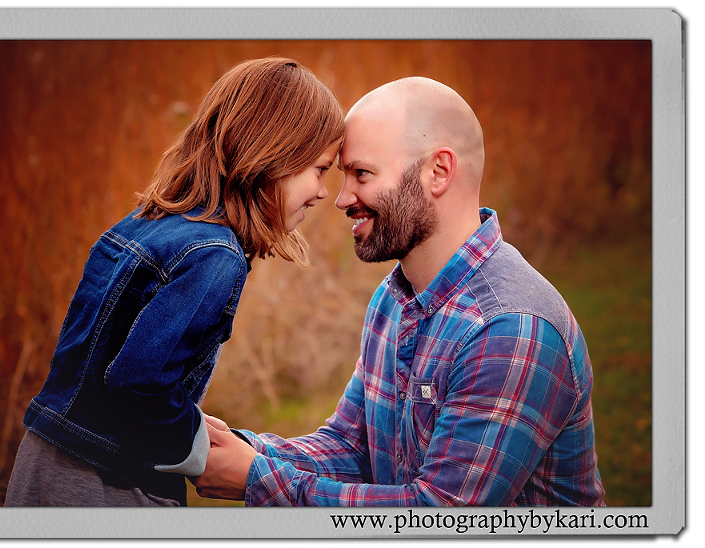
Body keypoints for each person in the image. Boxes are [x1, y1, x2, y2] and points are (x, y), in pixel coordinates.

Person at [193, 76, 606, 507]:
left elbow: (439, 513)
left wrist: (258, 479)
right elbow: (352, 448)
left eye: (362, 174)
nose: (341, 198)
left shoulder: (509, 327)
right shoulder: (394, 299)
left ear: (438, 172)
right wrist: (238, 450)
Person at [3, 57, 345, 507]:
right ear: (274, 156)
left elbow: (97, 362)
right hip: (105, 482)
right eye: (320, 169)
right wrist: (197, 448)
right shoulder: (215, 257)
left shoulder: (145, 223)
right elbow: (139, 382)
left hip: (43, 455)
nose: (323, 191)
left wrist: (193, 422)